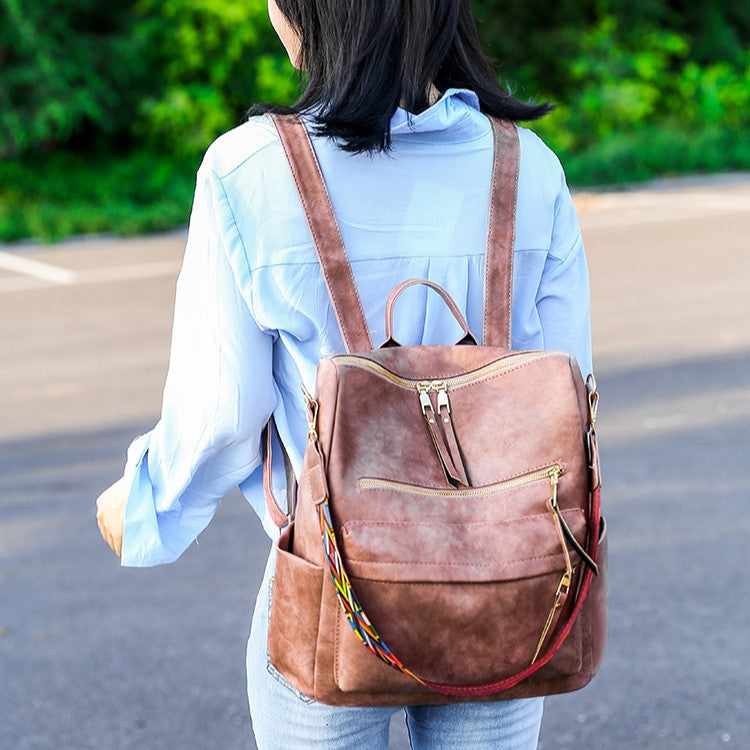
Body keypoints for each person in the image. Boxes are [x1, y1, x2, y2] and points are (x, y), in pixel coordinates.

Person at [96, 0, 593, 747]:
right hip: (505, 583)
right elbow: (567, 393)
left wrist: (145, 508)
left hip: (330, 579)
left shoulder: (249, 170)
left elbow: (226, 415)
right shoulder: (528, 168)